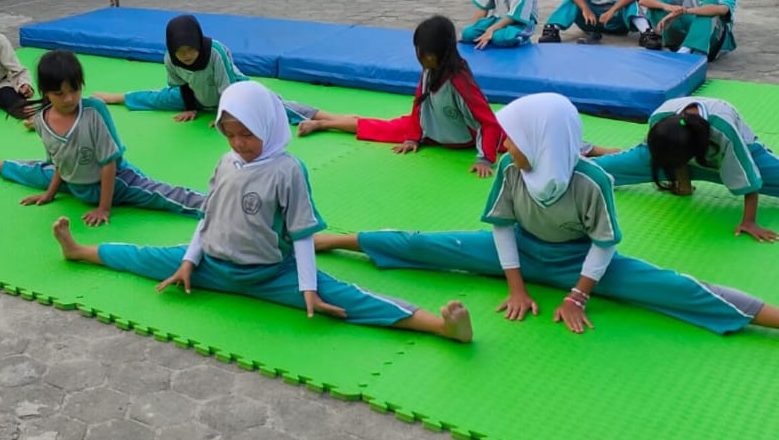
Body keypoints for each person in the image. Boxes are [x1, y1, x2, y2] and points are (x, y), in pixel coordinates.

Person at [315, 93, 779, 335]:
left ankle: (768, 317)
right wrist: (515, 285)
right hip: (520, 252)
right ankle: (338, 241)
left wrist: (578, 296)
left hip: (583, 266)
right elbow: (500, 228)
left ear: (541, 141)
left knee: (675, 288)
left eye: (513, 138)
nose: (506, 146)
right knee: (426, 244)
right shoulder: (509, 169)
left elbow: (603, 245)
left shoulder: (591, 180)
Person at [51, 81, 473, 342]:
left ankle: (441, 326)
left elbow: (303, 234)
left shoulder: (287, 169)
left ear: (268, 125)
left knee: (349, 301)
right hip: (212, 266)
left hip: (272, 275)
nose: (237, 143)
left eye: (246, 134)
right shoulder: (225, 162)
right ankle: (79, 251)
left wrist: (307, 286)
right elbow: (207, 218)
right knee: (143, 258)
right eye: (229, 133)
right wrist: (187, 261)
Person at [0, 50, 205, 226]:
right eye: (59, 93)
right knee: (34, 171)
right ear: (45, 92)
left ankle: (214, 205)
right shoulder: (41, 119)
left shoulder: (94, 111)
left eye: (74, 90)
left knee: (164, 196)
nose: (68, 99)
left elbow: (108, 164)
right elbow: (58, 162)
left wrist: (104, 208)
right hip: (72, 182)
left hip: (113, 182)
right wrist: (50, 194)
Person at [296, 16, 504, 178]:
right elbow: (418, 105)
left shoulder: (460, 82)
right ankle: (322, 122)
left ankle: (324, 120)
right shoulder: (430, 70)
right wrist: (413, 137)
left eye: (419, 50)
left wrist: (485, 158)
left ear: (432, 54)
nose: (417, 54)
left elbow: (489, 123)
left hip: (460, 140)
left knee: (512, 145)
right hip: (429, 132)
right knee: (377, 128)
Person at [593, 97, 779, 242]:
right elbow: (667, 152)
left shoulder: (724, 131)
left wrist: (749, 222)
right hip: (671, 151)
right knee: (596, 171)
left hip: (737, 154)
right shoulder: (660, 119)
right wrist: (683, 184)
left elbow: (747, 173)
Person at [93, 15, 333, 126]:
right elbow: (181, 84)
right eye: (181, 51)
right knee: (159, 98)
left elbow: (228, 89)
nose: (186, 56)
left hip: (235, 97)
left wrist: (224, 116)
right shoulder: (170, 58)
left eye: (190, 50)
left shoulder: (215, 51)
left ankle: (329, 117)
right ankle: (117, 97)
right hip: (198, 98)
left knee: (275, 106)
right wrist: (189, 107)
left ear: (198, 43)